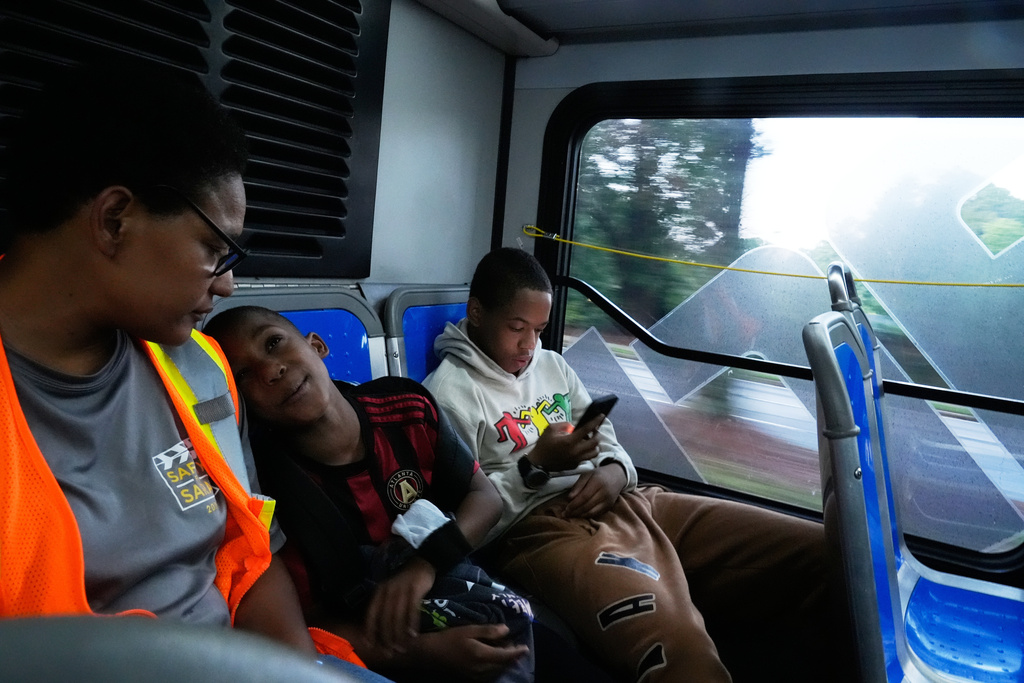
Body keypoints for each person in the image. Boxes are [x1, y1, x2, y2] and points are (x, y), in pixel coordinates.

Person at [0, 59, 386, 681]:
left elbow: (249, 560)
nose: (228, 284)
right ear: (114, 220)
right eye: (214, 250)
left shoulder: (201, 369)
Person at [423, 247, 849, 683]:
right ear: (476, 313)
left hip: (625, 499)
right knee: (683, 654)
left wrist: (615, 472)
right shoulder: (446, 397)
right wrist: (536, 466)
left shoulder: (551, 365)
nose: (530, 345)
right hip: (542, 531)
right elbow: (464, 525)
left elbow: (606, 439)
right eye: (517, 328)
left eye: (539, 329)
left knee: (827, 551)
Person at [202, 306, 535, 683]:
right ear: (241, 405)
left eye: (274, 343)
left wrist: (423, 565)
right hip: (377, 643)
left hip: (451, 579)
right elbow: (303, 620)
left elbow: (485, 498)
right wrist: (422, 652)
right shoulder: (267, 491)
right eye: (243, 375)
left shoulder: (407, 409)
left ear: (317, 345)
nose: (271, 370)